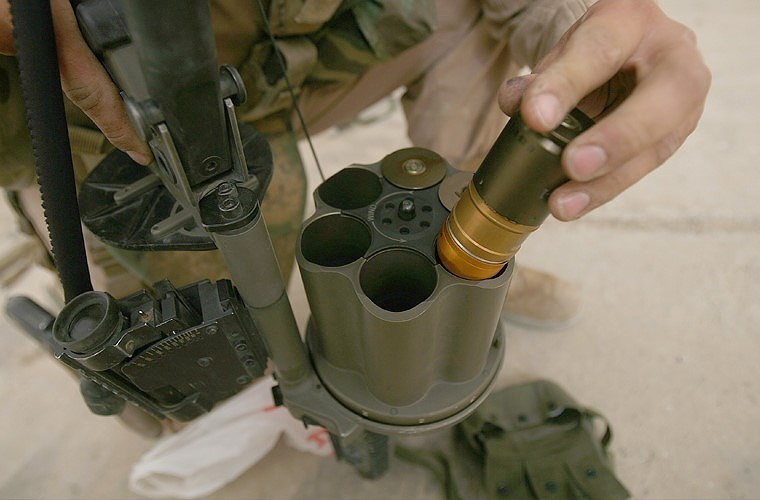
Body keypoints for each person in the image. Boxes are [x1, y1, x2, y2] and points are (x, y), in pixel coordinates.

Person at [0, 0, 710, 329]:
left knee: (464, 15)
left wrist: (591, 24)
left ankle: (464, 261)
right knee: (192, 348)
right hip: (112, 124)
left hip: (284, 70)